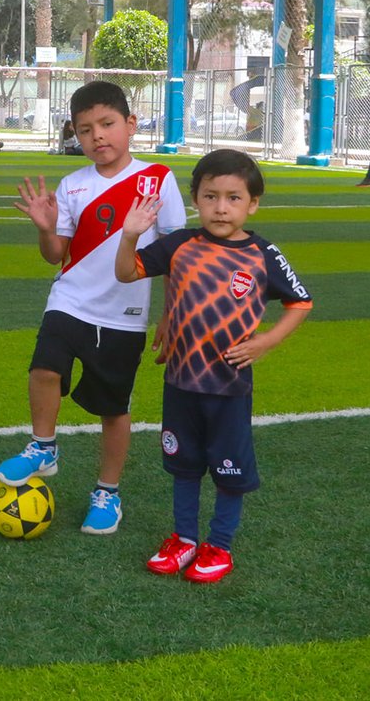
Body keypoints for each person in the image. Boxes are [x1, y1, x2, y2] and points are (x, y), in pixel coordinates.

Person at [0, 81, 187, 535]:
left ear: (130, 125)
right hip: (70, 299)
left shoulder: (157, 179)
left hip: (125, 314)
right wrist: (45, 229)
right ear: (75, 136)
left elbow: (176, 252)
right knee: (44, 368)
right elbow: (54, 252)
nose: (97, 136)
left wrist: (170, 313)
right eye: (85, 130)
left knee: (112, 408)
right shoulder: (71, 184)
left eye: (107, 124)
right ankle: (43, 446)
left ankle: (107, 492)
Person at [114, 149, 312, 584]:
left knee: (229, 471)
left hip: (228, 386)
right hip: (181, 383)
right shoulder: (181, 244)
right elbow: (127, 273)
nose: (221, 208)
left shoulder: (262, 253)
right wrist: (130, 236)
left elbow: (301, 301)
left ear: (253, 203)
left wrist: (266, 341)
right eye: (210, 197)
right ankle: (183, 539)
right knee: (183, 465)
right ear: (195, 199)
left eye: (233, 198)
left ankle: (218, 546)